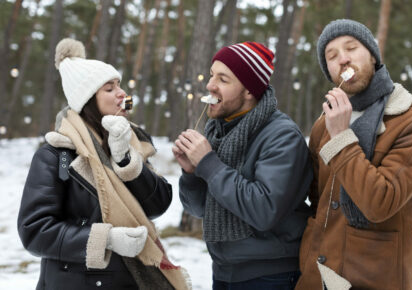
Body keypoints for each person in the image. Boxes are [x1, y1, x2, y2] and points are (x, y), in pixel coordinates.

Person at [17, 38, 190, 290]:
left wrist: (126, 160)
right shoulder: (55, 155)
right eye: (109, 89)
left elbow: (158, 204)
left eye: (119, 85)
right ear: (88, 100)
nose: (122, 94)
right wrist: (105, 239)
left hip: (130, 281)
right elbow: (35, 230)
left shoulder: (133, 142)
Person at [296, 19, 412, 290]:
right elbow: (318, 201)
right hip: (317, 274)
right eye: (332, 55)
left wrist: (341, 137)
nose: (343, 59)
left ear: (372, 55)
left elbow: (380, 202)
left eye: (352, 48)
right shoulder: (322, 124)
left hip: (374, 276)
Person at [172, 41, 313, 289]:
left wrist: (208, 163)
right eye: (212, 74)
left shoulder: (282, 136)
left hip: (270, 275)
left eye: (223, 79)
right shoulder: (217, 130)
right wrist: (192, 173)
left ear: (249, 90)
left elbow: (264, 210)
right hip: (224, 270)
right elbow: (200, 209)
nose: (210, 85)